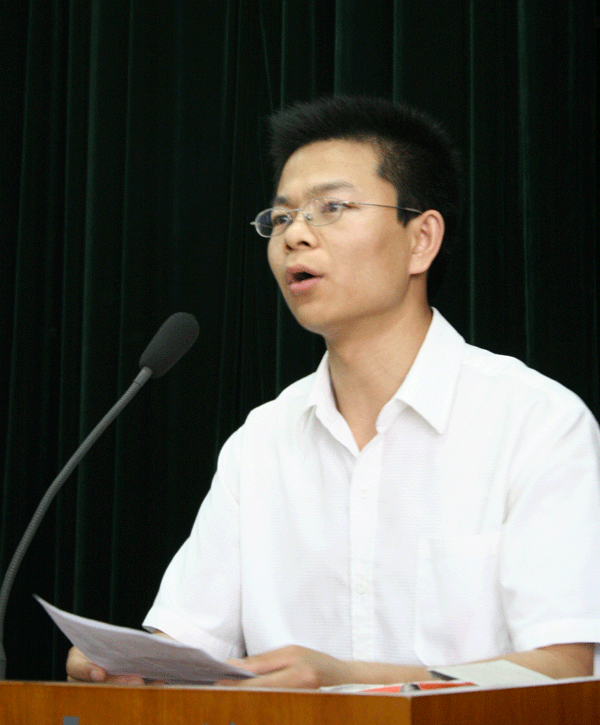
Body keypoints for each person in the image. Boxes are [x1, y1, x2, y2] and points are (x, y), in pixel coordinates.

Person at [67, 96, 600, 688]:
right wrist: (135, 668)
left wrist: (346, 681)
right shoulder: (262, 441)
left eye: (332, 208)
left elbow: (564, 671)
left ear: (421, 239)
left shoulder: (536, 422)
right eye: (281, 218)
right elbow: (192, 644)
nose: (295, 235)